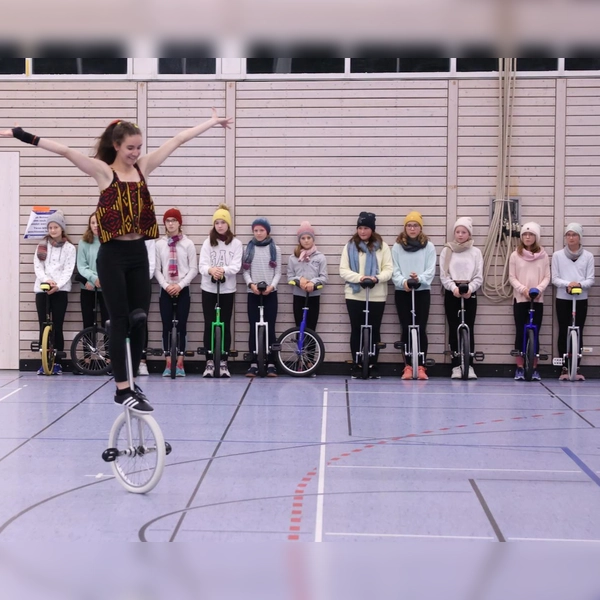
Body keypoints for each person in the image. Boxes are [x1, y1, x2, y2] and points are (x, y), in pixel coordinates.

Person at [3, 110, 232, 411]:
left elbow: (177, 140)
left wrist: (212, 123)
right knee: (120, 320)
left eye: (139, 147)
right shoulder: (103, 172)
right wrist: (21, 134)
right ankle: (121, 388)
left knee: (139, 320)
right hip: (111, 255)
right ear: (116, 146)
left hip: (138, 253)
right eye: (130, 148)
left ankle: (134, 384)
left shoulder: (142, 168)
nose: (136, 153)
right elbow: (65, 151)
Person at [339, 211, 393, 379]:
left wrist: (376, 278)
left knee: (374, 330)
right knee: (356, 329)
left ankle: (373, 363)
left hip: (376, 295)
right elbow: (343, 270)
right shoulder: (349, 246)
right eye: (360, 228)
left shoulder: (382, 246)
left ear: (372, 229)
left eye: (366, 228)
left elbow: (388, 269)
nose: (362, 231)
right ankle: (357, 363)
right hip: (355, 295)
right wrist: (360, 278)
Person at [198, 204, 243, 378]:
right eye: (216, 222)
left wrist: (222, 270)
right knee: (209, 323)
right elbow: (202, 265)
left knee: (225, 322)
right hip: (209, 289)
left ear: (228, 224)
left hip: (227, 289)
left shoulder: (236, 243)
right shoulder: (207, 242)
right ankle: (209, 361)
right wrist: (211, 271)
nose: (219, 225)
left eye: (222, 222)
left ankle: (223, 360)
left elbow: (236, 266)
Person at [392, 211, 436, 380]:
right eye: (409, 225)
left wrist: (420, 279)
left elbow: (431, 269)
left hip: (422, 291)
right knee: (406, 327)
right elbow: (394, 269)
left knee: (421, 327)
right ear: (405, 227)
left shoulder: (429, 247)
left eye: (415, 225)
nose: (412, 228)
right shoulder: (397, 246)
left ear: (420, 228)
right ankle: (408, 365)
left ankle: (421, 365)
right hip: (403, 291)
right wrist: (403, 282)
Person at [154, 208, 198, 377]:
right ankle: (168, 362)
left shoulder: (188, 244)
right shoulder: (159, 244)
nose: (171, 223)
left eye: (174, 220)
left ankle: (180, 362)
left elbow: (193, 269)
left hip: (183, 289)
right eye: (168, 221)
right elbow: (157, 269)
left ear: (180, 223)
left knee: (182, 326)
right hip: (165, 289)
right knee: (166, 325)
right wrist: (166, 285)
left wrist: (180, 285)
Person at [439, 217, 483, 379]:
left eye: (463, 232)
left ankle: (469, 365)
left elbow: (479, 275)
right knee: (453, 327)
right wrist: (453, 288)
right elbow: (444, 274)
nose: (460, 235)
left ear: (469, 234)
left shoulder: (476, 252)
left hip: (470, 290)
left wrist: (471, 288)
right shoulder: (447, 250)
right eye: (457, 232)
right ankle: (456, 365)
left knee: (469, 327)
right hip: (453, 291)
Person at [33, 211, 76, 375]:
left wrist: (57, 284)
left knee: (57, 325)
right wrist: (46, 281)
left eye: (55, 227)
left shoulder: (70, 248)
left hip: (60, 290)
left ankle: (57, 362)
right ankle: (43, 362)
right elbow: (38, 267)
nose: (52, 230)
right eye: (50, 227)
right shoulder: (41, 246)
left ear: (61, 228)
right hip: (42, 289)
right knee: (43, 324)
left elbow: (68, 269)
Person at [551, 223, 595, 381]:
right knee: (563, 330)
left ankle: (576, 367)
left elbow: (590, 278)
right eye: (568, 235)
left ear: (580, 237)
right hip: (563, 298)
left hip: (581, 298)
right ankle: (564, 367)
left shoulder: (588, 256)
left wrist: (579, 285)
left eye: (574, 235)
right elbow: (554, 278)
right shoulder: (558, 255)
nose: (571, 237)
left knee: (579, 330)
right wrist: (567, 284)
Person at [508, 222, 550, 381]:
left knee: (535, 332)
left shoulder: (543, 255)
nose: (527, 237)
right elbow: (512, 277)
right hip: (520, 298)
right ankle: (519, 367)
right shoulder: (515, 255)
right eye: (525, 234)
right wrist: (523, 290)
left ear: (536, 237)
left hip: (537, 299)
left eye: (531, 234)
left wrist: (538, 289)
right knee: (520, 331)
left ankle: (534, 367)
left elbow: (547, 276)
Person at [242, 217, 282, 377]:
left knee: (270, 327)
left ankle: (272, 362)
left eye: (261, 230)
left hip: (270, 293)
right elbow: (245, 271)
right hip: (253, 293)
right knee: (253, 327)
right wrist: (251, 284)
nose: (258, 233)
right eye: (256, 230)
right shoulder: (248, 249)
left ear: (267, 232)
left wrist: (271, 287)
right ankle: (253, 363)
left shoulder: (275, 249)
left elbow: (278, 272)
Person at [286, 221, 328, 331]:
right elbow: (290, 276)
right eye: (303, 238)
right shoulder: (293, 257)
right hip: (299, 296)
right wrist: (300, 279)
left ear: (313, 239)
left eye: (309, 237)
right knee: (299, 326)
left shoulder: (320, 257)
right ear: (299, 240)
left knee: (311, 327)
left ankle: (311, 348)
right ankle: (299, 348)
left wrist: (313, 282)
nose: (306, 240)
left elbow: (324, 277)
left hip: (314, 296)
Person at [76, 212, 109, 332]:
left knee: (107, 322)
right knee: (88, 323)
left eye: (98, 222)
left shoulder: (110, 242)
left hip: (106, 288)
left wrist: (103, 279)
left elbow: (111, 265)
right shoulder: (83, 242)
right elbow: (81, 265)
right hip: (88, 288)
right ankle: (87, 351)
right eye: (93, 223)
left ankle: (109, 351)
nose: (96, 225)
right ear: (89, 225)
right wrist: (93, 279)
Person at [137, 238, 156, 376]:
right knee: (122, 321)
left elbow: (151, 265)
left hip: (142, 283)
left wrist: (137, 280)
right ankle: (125, 361)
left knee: (141, 320)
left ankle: (142, 361)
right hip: (122, 283)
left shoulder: (147, 239)